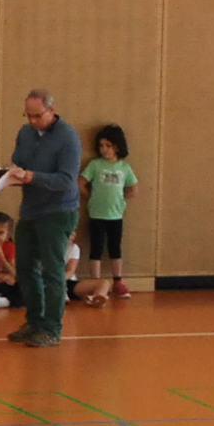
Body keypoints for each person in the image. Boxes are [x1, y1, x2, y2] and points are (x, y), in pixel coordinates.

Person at [0, 87, 81, 346]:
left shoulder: (68, 138)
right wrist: (10, 174)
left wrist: (32, 177)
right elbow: (19, 162)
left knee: (53, 272)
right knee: (25, 268)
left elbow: (66, 180)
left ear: (51, 110)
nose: (32, 121)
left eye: (37, 116)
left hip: (58, 211)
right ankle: (34, 322)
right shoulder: (25, 133)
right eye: (28, 115)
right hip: (31, 210)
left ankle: (52, 328)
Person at [82, 124, 140, 302]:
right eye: (101, 146)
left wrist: (122, 201)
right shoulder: (95, 165)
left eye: (108, 145)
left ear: (117, 147)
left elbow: (133, 188)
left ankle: (118, 282)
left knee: (115, 248)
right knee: (96, 248)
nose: (104, 149)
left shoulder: (124, 167)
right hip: (97, 214)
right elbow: (81, 183)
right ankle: (96, 283)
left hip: (116, 215)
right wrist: (91, 197)